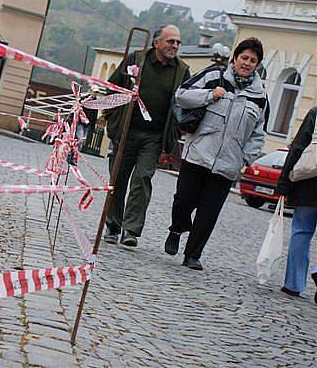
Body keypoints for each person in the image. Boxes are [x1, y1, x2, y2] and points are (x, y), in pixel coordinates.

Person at [164, 38, 267, 270]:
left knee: (209, 213)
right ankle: (177, 228)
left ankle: (193, 254)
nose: (247, 63)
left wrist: (245, 158)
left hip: (228, 164)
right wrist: (209, 95)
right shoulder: (214, 77)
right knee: (183, 200)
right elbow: (181, 95)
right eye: (244, 58)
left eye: (253, 60)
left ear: (257, 65)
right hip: (198, 154)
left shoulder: (260, 98)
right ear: (235, 58)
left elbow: (259, 134)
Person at [103, 25, 190, 246]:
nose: (175, 46)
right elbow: (113, 87)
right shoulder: (136, 59)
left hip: (154, 136)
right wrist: (113, 118)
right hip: (127, 130)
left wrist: (176, 130)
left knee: (142, 179)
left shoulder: (181, 70)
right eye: (171, 41)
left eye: (178, 42)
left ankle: (131, 229)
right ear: (156, 43)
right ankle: (113, 224)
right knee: (118, 178)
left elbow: (185, 102)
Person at [276, 106, 317, 303]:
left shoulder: (316, 113)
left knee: (301, 231)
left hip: (309, 184)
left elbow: (298, 147)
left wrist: (284, 181)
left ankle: (293, 283)